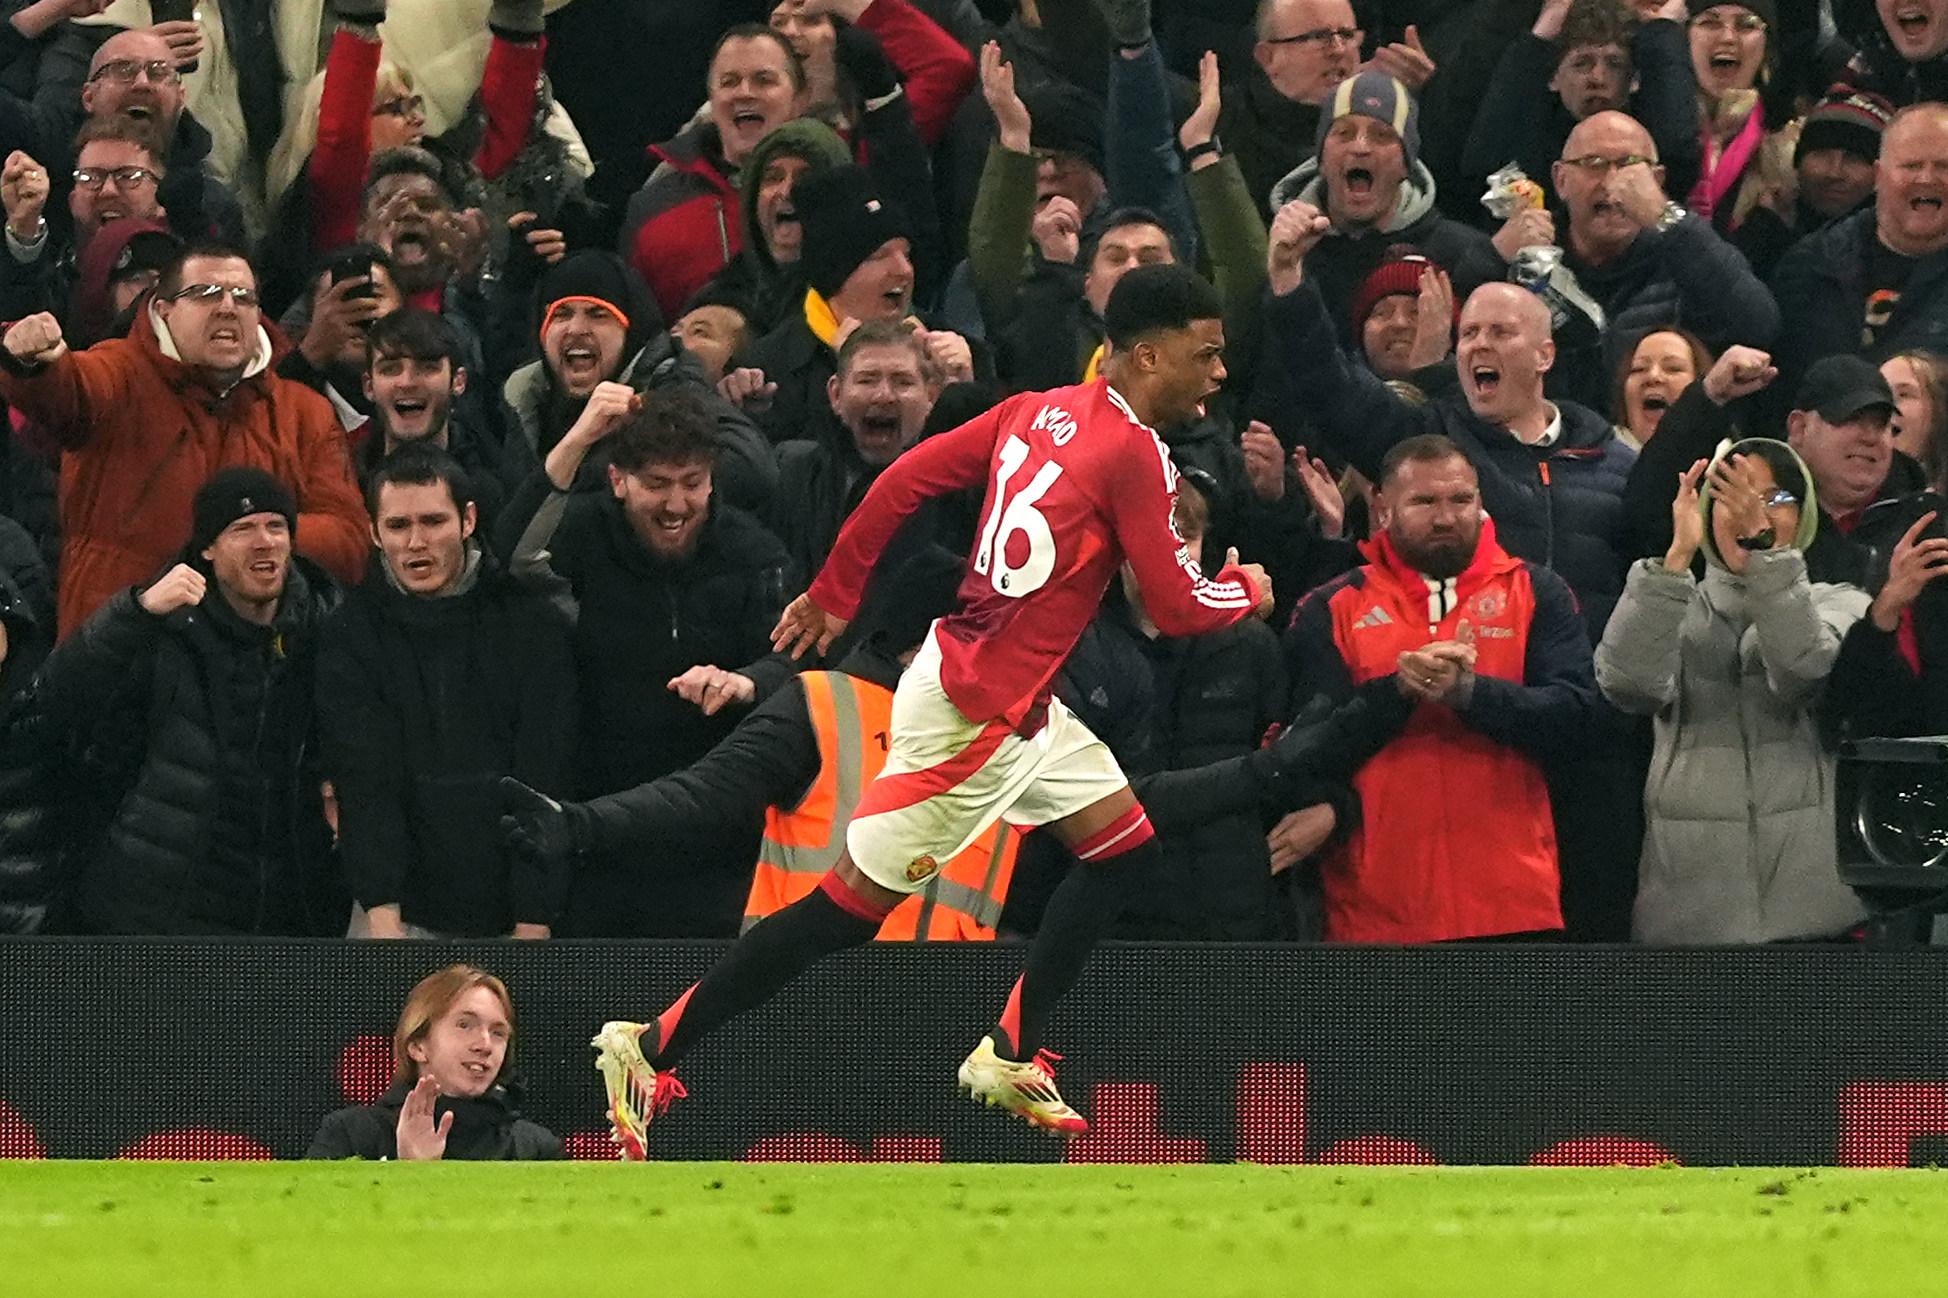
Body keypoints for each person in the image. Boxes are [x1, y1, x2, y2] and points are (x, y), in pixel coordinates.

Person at [555, 264, 1308, 1152]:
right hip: (976, 718)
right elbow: (1180, 607)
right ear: (1147, 355)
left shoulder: (1036, 410)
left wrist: (836, 594)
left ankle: (1012, 1049)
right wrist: (1242, 590)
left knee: (1125, 845)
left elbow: (901, 480)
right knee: (845, 911)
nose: (1220, 373)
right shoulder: (1135, 452)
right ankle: (647, 1045)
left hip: (1006, 691)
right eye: (1206, 353)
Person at [504, 385, 798, 938]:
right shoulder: (585, 532)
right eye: (656, 485)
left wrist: (743, 682)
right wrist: (579, 437)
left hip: (719, 833)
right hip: (601, 826)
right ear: (618, 480)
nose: (675, 504)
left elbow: (800, 659)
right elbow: (512, 553)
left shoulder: (753, 550)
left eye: (693, 483)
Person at [1285, 435, 1597, 942]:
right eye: (1424, 502)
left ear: (1481, 503)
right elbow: (1305, 749)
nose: (1446, 517)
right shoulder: (1331, 607)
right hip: (1374, 911)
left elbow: (1579, 719)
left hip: (1514, 906)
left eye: (1461, 499)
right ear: (1383, 509)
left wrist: (1472, 695)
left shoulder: (1538, 592)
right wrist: (1397, 693)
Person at [23, 467, 345, 936]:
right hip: (158, 912)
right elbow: (53, 701)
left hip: (282, 913)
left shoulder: (324, 631)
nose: (264, 541)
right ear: (207, 549)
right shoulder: (162, 629)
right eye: (242, 529)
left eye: (276, 526)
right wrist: (132, 613)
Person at [0, 239, 370, 636]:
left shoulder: (304, 412)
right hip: (120, 655)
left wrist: (253, 535)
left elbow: (347, 542)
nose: (227, 306)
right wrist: (28, 361)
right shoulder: (118, 373)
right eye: (206, 293)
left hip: (257, 660)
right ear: (164, 308)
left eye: (243, 297)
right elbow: (64, 389)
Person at [1595, 439, 1870, 943]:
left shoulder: (1842, 603)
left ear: (1805, 516)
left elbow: (1801, 673)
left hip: (1812, 914)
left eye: (1776, 499)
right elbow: (1627, 685)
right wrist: (1676, 558)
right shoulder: (1672, 598)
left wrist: (1768, 556)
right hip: (1688, 915)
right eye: (1732, 496)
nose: (1752, 513)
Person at [318, 445, 574, 940]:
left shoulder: (532, 627)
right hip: (397, 912)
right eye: (397, 526)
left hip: (513, 915)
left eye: (433, 521)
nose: (417, 542)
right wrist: (383, 921)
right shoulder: (349, 633)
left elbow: (544, 777)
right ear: (373, 532)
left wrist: (533, 918)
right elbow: (365, 782)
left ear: (468, 519)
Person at [1547, 109, 1780, 415]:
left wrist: (1664, 216)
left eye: (1630, 166)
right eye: (1595, 164)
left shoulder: (1687, 253)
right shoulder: (1531, 258)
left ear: (1656, 181)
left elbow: (1759, 323)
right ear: (1561, 180)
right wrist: (1496, 254)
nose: (1612, 183)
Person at [1266, 71, 1505, 354]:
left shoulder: (1461, 251)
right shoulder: (1283, 248)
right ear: (1321, 159)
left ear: (1407, 165)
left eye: (1382, 136)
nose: (1360, 147)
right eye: (1344, 133)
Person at [621, 25, 807, 324]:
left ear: (800, 99)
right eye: (729, 82)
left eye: (764, 80)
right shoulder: (652, 208)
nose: (744, 93)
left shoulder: (838, 187)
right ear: (712, 100)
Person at [1770, 104, 1948, 406]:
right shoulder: (1809, 263)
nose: (1927, 178)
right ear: (1878, 176)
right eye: (1911, 166)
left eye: (1945, 167)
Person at [307, 964, 563, 1161]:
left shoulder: (535, 1147)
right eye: (465, 1025)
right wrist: (409, 1171)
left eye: (498, 1033)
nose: (485, 1045)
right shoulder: (352, 1133)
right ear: (418, 1046)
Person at [1462, 0, 1701, 209]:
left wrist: (1663, 30)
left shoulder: (1654, 137)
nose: (1597, 78)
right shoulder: (1531, 139)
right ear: (1554, 77)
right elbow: (1483, 165)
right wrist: (1538, 40)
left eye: (1615, 64)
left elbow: (1678, 158)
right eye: (1582, 64)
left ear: (1634, 79)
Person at [771, 317, 936, 578]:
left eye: (902, 382)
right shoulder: (791, 469)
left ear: (931, 397)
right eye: (867, 380)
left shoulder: (952, 491)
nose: (884, 396)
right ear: (836, 394)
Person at [1613, 325, 1711, 448]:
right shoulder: (1593, 459)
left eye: (1673, 368)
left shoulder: (1730, 459)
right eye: (1639, 368)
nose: (1653, 377)